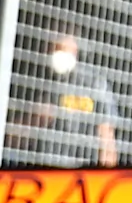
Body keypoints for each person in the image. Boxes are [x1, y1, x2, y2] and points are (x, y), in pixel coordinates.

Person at [12, 31, 122, 167]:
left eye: (65, 50)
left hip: (82, 168)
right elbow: (10, 137)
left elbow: (107, 136)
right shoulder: (34, 80)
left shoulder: (93, 83)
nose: (60, 56)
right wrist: (36, 119)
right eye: (56, 49)